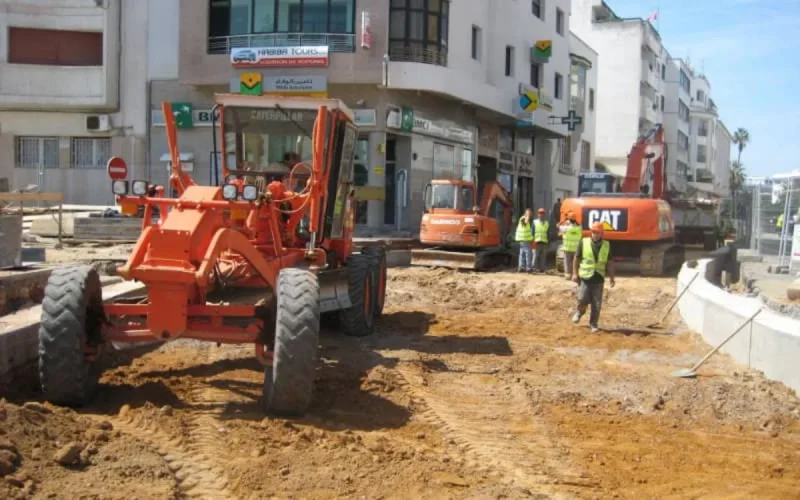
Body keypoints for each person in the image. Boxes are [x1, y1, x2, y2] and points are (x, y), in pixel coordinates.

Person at [571, 221, 616, 333]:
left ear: (602, 233)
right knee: (582, 299)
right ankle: (580, 312)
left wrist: (612, 277)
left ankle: (593, 324)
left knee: (597, 304)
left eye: (598, 232)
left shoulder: (606, 245)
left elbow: (610, 262)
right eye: (594, 232)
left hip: (598, 278)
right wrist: (575, 273)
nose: (595, 234)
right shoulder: (584, 242)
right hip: (585, 277)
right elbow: (576, 259)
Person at [559, 211, 582, 280]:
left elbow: (558, 226)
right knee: (576, 262)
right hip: (576, 249)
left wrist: (564, 221)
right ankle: (575, 274)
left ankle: (568, 275)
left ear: (569, 219)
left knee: (567, 262)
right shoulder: (579, 228)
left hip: (567, 248)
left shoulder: (566, 228)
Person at [531, 208, 550, 272]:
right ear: (538, 214)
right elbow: (532, 232)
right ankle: (533, 268)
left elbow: (548, 233)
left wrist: (548, 242)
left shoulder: (547, 223)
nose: (541, 214)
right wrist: (532, 241)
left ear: (544, 214)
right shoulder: (534, 222)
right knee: (535, 256)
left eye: (542, 213)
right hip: (536, 241)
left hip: (544, 242)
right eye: (540, 213)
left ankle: (542, 268)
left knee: (543, 256)